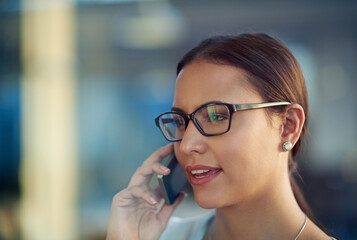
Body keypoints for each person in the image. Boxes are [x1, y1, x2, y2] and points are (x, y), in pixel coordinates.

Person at [106, 33, 336, 240]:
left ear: (288, 126)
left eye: (216, 116)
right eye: (180, 122)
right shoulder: (158, 236)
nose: (186, 146)